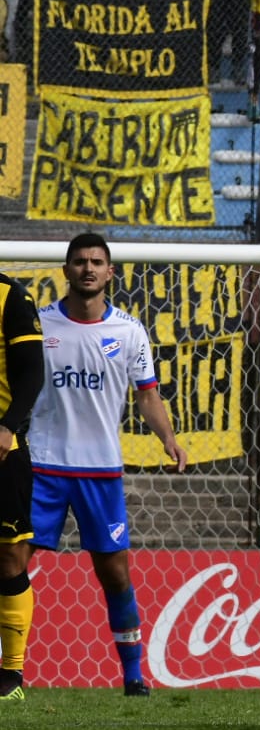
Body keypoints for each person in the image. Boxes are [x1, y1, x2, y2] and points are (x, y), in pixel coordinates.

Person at [27, 234, 187, 695]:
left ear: (110, 272)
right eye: (79, 262)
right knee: (11, 561)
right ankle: (9, 671)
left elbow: (148, 396)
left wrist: (168, 439)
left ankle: (134, 676)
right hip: (44, 465)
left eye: (97, 262)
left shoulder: (130, 332)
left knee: (114, 573)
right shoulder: (40, 326)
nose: (88, 269)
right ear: (66, 270)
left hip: (100, 471)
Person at [0, 272, 44, 702]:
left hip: (1, 450)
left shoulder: (10, 296)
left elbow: (32, 373)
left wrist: (8, 426)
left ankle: (10, 674)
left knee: (9, 555)